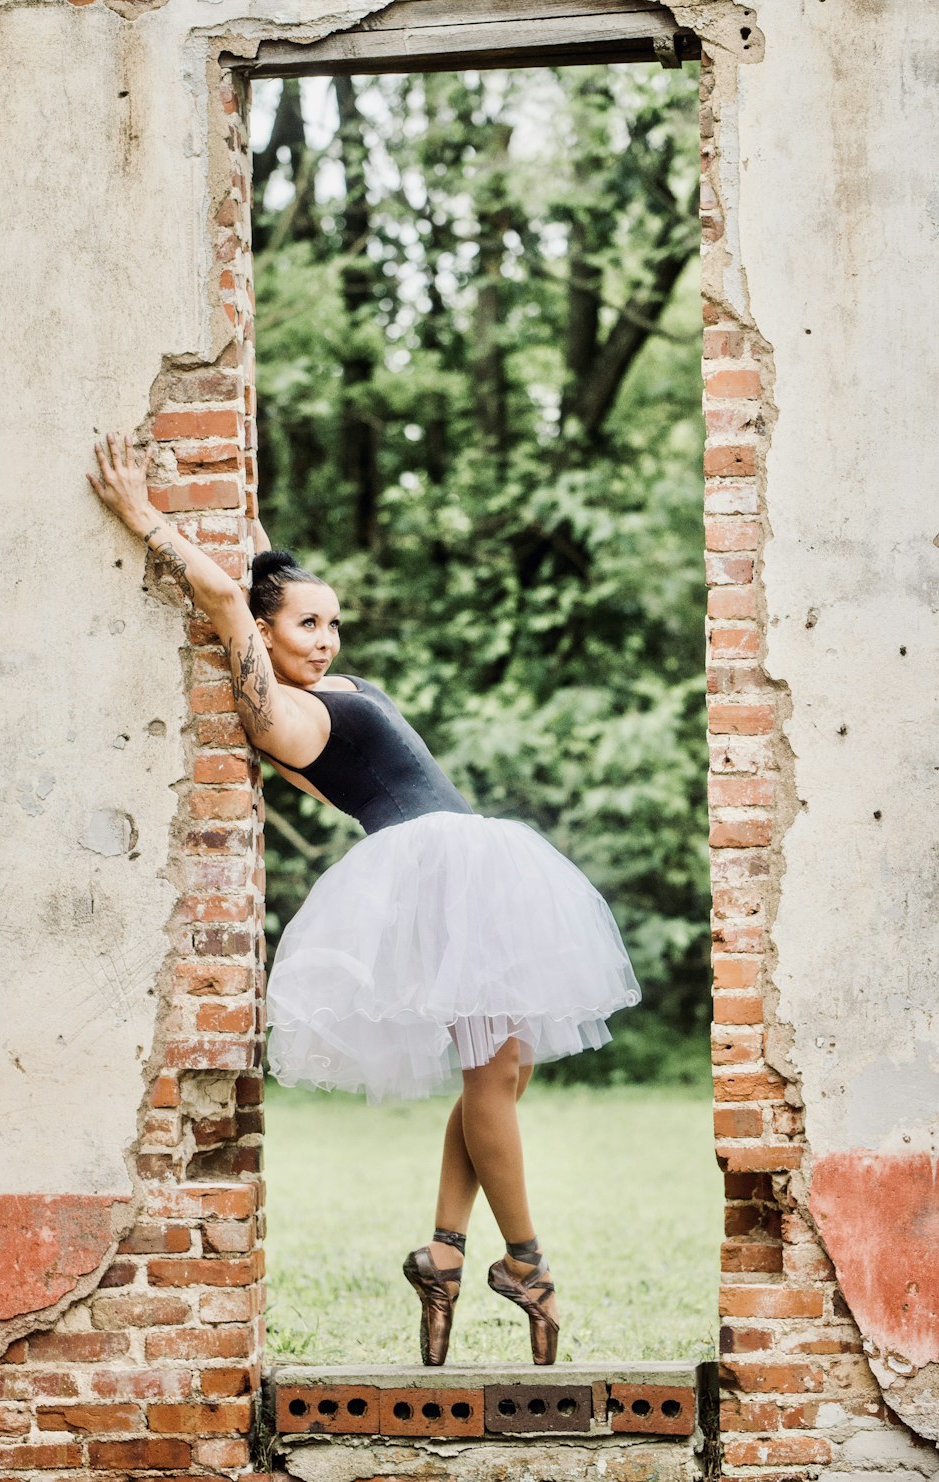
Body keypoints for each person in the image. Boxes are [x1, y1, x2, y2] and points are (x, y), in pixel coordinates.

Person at [88, 432, 641, 1368]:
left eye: (332, 624)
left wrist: (245, 507)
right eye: (309, 626)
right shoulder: (279, 708)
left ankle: (443, 1252)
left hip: (467, 862)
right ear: (264, 634)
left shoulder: (310, 682)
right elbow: (227, 594)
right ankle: (527, 1265)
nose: (328, 640)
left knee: (504, 1071)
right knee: (490, 1070)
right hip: (437, 873)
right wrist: (145, 518)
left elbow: (250, 567)